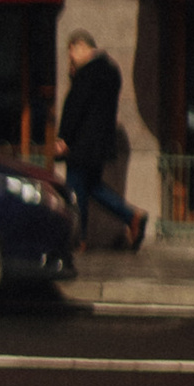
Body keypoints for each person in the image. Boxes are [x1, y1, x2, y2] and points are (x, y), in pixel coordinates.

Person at [55, 30, 145, 251]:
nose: (71, 58)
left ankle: (79, 239)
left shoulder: (86, 74)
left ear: (80, 47)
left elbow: (75, 109)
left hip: (81, 145)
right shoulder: (110, 71)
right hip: (99, 145)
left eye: (71, 53)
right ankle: (132, 216)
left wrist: (64, 138)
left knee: (76, 193)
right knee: (93, 187)